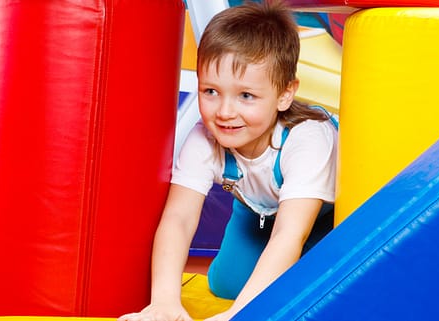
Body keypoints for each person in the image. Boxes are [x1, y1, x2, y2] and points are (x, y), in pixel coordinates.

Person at [119, 1, 337, 320]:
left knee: (307, 286)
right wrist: (163, 302)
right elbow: (178, 218)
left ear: (284, 94)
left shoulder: (307, 139)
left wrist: (239, 314)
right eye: (211, 91)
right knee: (227, 283)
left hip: (325, 218)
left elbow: (290, 233)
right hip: (259, 210)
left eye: (246, 96)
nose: (224, 112)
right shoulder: (205, 137)